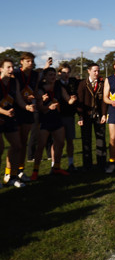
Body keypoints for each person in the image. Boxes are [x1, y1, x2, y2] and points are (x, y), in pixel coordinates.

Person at [32, 67, 75, 179]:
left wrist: (72, 99)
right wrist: (48, 107)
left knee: (60, 143)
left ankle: (56, 167)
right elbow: (40, 107)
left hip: (57, 119)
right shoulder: (41, 89)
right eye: (50, 75)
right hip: (45, 120)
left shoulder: (58, 87)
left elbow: (68, 100)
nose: (53, 77)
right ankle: (35, 171)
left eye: (54, 75)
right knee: (40, 146)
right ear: (45, 77)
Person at [1, 59, 34, 187]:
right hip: (2, 115)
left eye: (12, 67)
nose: (11, 70)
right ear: (1, 69)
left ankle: (11, 176)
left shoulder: (14, 82)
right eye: (8, 67)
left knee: (17, 146)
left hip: (10, 117)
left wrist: (27, 107)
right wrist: (4, 112)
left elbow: (19, 99)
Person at [14, 52, 40, 182]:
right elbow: (12, 92)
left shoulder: (35, 74)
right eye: (28, 61)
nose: (31, 63)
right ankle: (11, 172)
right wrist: (24, 98)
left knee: (23, 142)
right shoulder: (15, 73)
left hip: (29, 110)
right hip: (16, 110)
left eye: (32, 61)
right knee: (16, 144)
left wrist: (36, 97)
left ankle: (20, 170)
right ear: (22, 61)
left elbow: (34, 90)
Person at [77, 63, 107, 171]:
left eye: (98, 71)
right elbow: (79, 101)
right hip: (86, 116)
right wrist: (80, 116)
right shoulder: (82, 84)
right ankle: (87, 166)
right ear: (88, 71)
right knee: (86, 141)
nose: (97, 73)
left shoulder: (102, 84)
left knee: (101, 140)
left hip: (99, 116)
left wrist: (104, 114)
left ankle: (102, 164)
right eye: (94, 71)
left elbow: (104, 101)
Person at [58, 63, 79, 171]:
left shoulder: (73, 82)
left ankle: (71, 164)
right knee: (58, 142)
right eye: (64, 72)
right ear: (59, 73)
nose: (66, 74)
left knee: (70, 141)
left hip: (70, 116)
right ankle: (55, 165)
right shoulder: (56, 84)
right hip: (58, 117)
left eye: (68, 72)